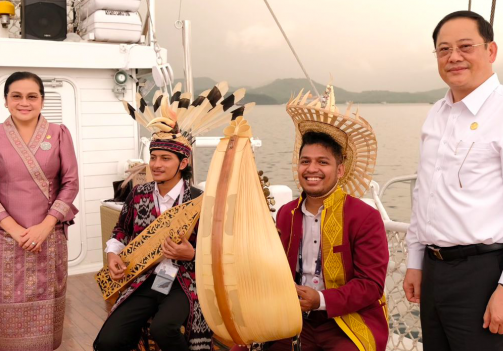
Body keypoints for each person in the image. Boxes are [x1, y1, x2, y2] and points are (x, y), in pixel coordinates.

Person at [403, 10, 503, 351]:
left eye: (466, 46)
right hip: (434, 272)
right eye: (444, 49)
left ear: (490, 51)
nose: (454, 57)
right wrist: (414, 262)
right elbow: (425, 194)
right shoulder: (437, 113)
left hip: (484, 275)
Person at [233, 86, 389, 351]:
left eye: (322, 162)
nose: (312, 169)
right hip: (291, 318)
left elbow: (371, 285)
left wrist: (320, 299)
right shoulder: (286, 213)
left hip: (346, 320)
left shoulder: (364, 217)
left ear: (340, 170)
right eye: (305, 161)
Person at [94, 81, 246, 351]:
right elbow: (120, 231)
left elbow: (222, 249)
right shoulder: (139, 194)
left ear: (183, 163)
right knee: (107, 341)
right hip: (144, 277)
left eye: (165, 158)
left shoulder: (200, 201)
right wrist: (113, 254)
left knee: (165, 330)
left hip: (185, 280)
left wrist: (193, 254)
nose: (156, 165)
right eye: (153, 157)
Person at [0, 71, 79, 350]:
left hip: (50, 236)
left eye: (32, 96)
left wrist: (45, 226)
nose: (25, 102)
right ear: (6, 101)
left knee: (47, 305)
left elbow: (70, 183)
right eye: (17, 96)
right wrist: (14, 229)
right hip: (6, 239)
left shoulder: (58, 134)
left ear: (42, 101)